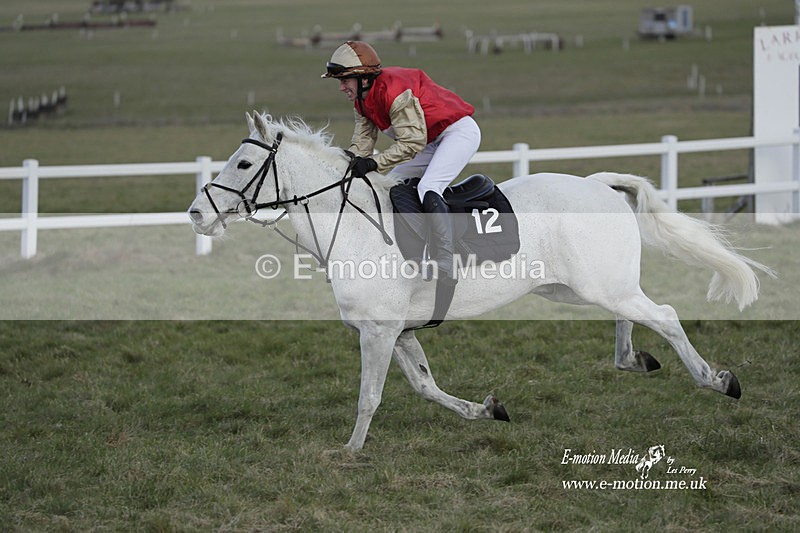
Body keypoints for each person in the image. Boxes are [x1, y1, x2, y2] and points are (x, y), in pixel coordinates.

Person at [322, 40, 481, 291]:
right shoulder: (362, 100)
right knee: (390, 185)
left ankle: (444, 258)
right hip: (428, 140)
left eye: (344, 80)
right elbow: (362, 143)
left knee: (429, 186)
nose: (341, 87)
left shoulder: (394, 92)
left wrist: (374, 162)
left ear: (364, 78)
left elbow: (411, 143)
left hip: (456, 133)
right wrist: (344, 168)